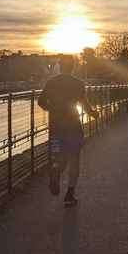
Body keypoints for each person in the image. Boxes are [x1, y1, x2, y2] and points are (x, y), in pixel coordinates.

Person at [37, 55, 98, 207]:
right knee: (74, 159)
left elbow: (40, 102)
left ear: (60, 66)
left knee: (58, 155)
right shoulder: (78, 84)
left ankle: (56, 172)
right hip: (73, 127)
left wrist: (53, 109)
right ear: (73, 67)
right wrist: (94, 114)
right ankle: (70, 194)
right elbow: (85, 105)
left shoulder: (51, 82)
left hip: (56, 128)